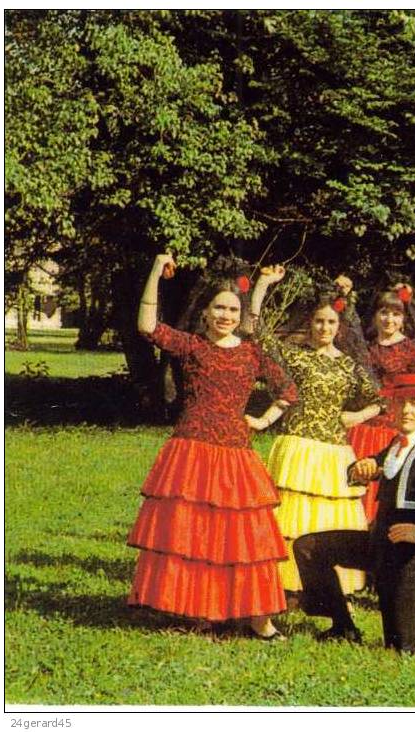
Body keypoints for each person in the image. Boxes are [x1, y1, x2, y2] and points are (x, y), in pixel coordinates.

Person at [128, 253, 296, 640]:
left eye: (232, 308)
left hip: (236, 452)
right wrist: (155, 271)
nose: (225, 314)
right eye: (218, 307)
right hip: (191, 449)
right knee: (196, 533)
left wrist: (262, 420)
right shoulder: (191, 346)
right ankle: (200, 609)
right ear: (205, 312)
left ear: (240, 314)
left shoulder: (252, 351)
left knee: (245, 538)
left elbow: (287, 390)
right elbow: (147, 326)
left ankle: (258, 619)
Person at [293, 373, 415, 652]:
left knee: (402, 645)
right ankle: (343, 626)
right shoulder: (397, 443)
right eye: (400, 402)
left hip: (410, 556)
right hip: (379, 543)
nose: (406, 410)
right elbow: (371, 467)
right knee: (309, 547)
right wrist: (360, 468)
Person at [248, 266, 383, 598]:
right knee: (289, 520)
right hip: (296, 447)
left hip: (334, 452)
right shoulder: (293, 356)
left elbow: (380, 400)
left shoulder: (349, 365)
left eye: (331, 322)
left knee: (329, 519)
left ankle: (329, 589)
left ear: (340, 326)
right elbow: (255, 329)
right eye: (320, 321)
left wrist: (357, 416)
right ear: (311, 322)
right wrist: (263, 284)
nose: (325, 327)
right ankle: (287, 586)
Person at [346, 286, 415, 520]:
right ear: (375, 315)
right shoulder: (366, 349)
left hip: (394, 430)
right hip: (361, 431)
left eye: (396, 314)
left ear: (404, 318)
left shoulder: (413, 350)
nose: (389, 319)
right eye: (384, 313)